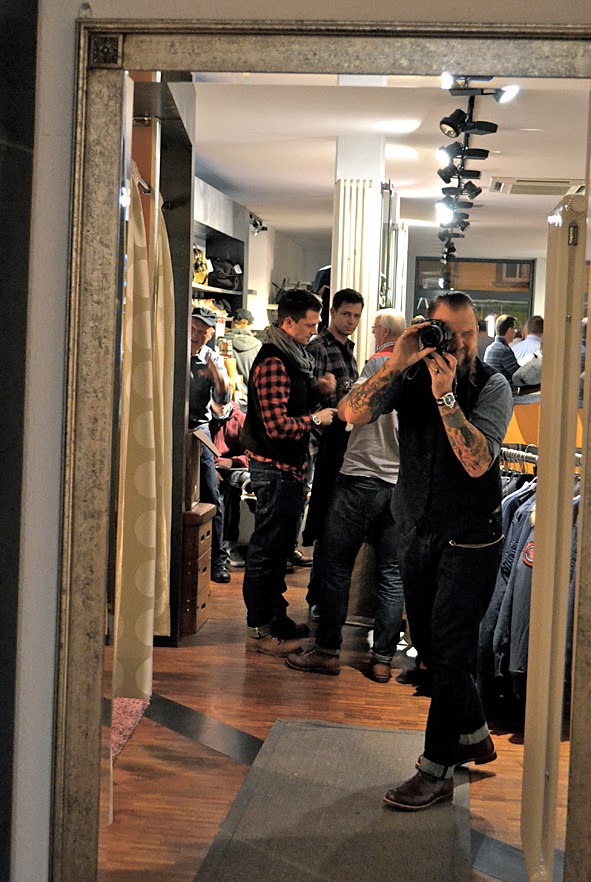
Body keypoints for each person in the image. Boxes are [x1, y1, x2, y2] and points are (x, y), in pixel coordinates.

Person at [341, 291, 513, 811]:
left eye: (469, 333)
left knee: (452, 651)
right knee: (432, 649)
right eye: (448, 333)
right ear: (427, 330)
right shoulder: (408, 373)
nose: (460, 344)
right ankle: (474, 734)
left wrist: (446, 398)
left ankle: (436, 769)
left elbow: (478, 462)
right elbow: (352, 411)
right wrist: (397, 362)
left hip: (473, 535)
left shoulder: (493, 385)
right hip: (416, 529)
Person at [286, 311, 406, 682]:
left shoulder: (376, 365)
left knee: (337, 566)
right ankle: (383, 659)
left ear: (383, 333)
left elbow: (349, 414)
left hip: (360, 476)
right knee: (391, 574)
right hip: (399, 483)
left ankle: (327, 651)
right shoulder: (422, 373)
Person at [240, 289, 337, 656]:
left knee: (278, 550)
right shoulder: (274, 361)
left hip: (286, 469)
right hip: (275, 469)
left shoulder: (292, 357)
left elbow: (287, 405)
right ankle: (259, 626)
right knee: (266, 550)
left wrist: (315, 391)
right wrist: (316, 418)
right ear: (288, 322)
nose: (315, 331)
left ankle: (274, 617)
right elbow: (277, 426)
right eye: (310, 325)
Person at [302, 288, 364, 613]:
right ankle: (317, 599)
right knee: (326, 524)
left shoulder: (348, 350)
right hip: (324, 445)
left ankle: (320, 597)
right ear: (333, 313)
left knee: (332, 526)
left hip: (342, 446)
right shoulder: (318, 348)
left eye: (356, 316)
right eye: (346, 314)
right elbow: (307, 398)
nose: (351, 321)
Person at [188, 305, 232, 583]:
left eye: (202, 331)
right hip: (169, 427)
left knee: (210, 493)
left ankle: (218, 559)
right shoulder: (170, 349)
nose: (196, 335)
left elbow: (221, 408)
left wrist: (219, 381)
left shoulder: (212, 359)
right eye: (192, 328)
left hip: (198, 429)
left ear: (211, 334)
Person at [210, 399, 251, 569]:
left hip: (233, 469)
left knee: (232, 490)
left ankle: (228, 545)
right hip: (209, 468)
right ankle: (216, 547)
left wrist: (233, 462)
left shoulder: (240, 419)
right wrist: (211, 469)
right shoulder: (205, 419)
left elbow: (251, 453)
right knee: (213, 491)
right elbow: (198, 448)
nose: (221, 409)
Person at [223, 308, 262, 408]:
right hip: (251, 403)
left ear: (233, 323)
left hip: (226, 403)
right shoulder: (258, 347)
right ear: (249, 325)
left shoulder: (221, 342)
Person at [483, 314, 520, 389]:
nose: (515, 332)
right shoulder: (504, 350)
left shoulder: (489, 348)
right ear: (509, 330)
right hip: (506, 392)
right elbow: (518, 375)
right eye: (514, 329)